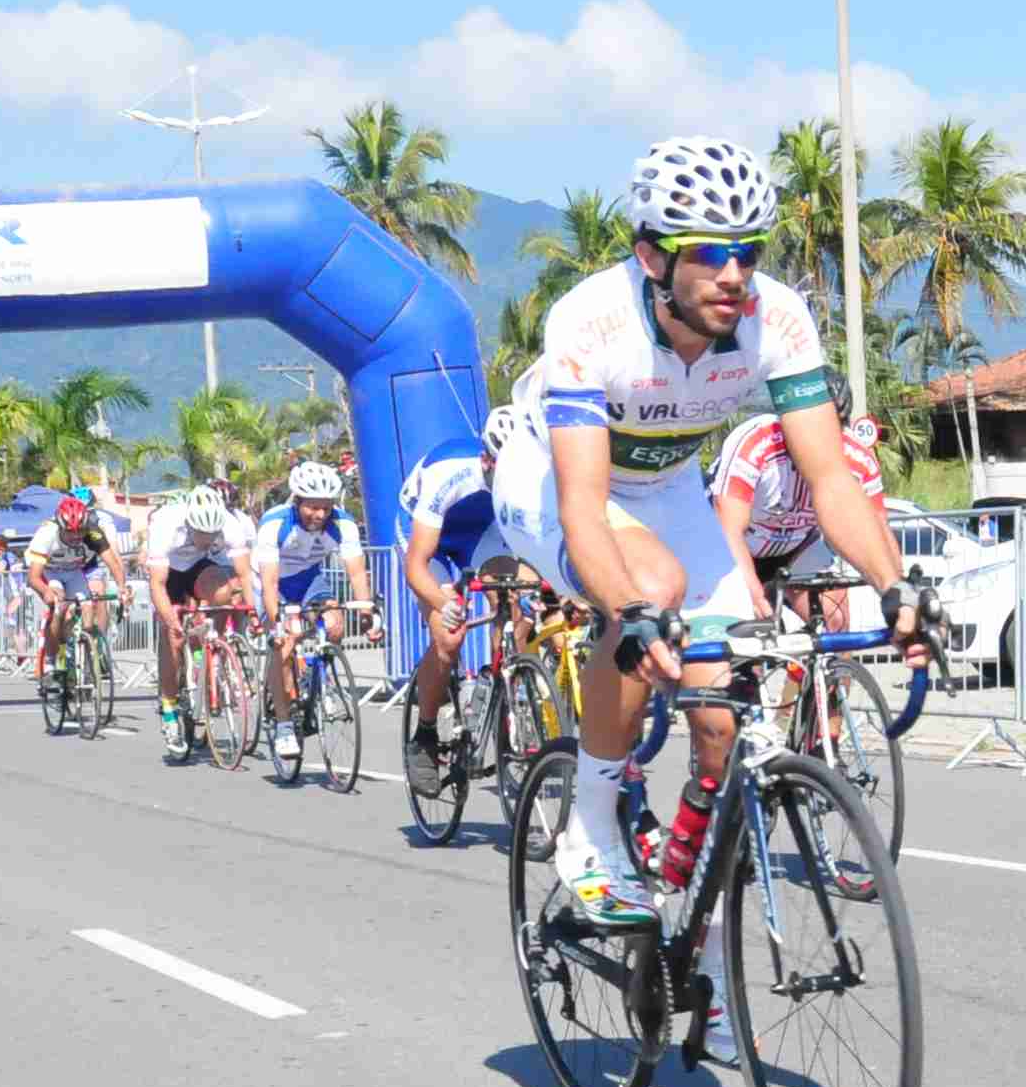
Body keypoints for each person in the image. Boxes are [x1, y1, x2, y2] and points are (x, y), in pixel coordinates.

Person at [495, 134, 928, 923]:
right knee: (652, 590)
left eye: (748, 252)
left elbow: (832, 477)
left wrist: (894, 584)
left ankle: (694, 948)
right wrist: (631, 611)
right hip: (554, 482)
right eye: (707, 254)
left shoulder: (777, 318)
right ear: (653, 256)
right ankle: (589, 825)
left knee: (724, 724)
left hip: (667, 489)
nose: (733, 274)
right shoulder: (592, 321)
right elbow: (585, 507)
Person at [393, 416, 509, 762]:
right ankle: (425, 734)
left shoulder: (532, 476)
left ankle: (503, 689)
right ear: (487, 460)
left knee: (517, 600)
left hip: (480, 532)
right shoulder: (451, 473)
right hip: (426, 535)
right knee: (448, 636)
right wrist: (443, 603)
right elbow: (416, 566)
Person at [707, 407, 888, 624]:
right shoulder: (758, 440)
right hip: (732, 546)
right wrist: (755, 595)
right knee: (745, 629)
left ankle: (833, 659)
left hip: (797, 547)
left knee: (836, 620)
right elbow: (728, 528)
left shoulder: (859, 458)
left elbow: (880, 533)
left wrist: (899, 593)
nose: (820, 437)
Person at [246, 462, 365, 770]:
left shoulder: (343, 523)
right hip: (274, 584)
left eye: (326, 508)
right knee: (285, 642)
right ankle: (284, 725)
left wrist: (366, 610)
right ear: (297, 500)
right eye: (313, 507)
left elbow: (355, 571)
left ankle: (321, 681)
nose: (320, 515)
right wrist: (277, 620)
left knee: (335, 622)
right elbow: (270, 583)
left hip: (310, 579)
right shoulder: (275, 524)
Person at [144, 484, 252, 761]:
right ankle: (169, 709)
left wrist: (252, 611)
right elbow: (156, 584)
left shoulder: (229, 524)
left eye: (211, 534)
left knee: (226, 592)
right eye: (201, 533)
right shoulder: (166, 524)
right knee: (173, 638)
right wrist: (172, 621)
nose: (207, 538)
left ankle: (211, 642)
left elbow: (244, 574)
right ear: (189, 523)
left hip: (197, 567)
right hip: (168, 574)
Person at [24, 492, 120, 672]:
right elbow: (33, 578)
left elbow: (112, 562)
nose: (76, 536)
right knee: (58, 607)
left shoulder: (93, 532)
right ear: (60, 526)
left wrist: (123, 588)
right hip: (50, 571)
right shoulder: (46, 534)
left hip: (74, 570)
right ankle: (51, 662)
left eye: (80, 531)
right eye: (70, 531)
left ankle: (86, 652)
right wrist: (46, 592)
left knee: (88, 606)